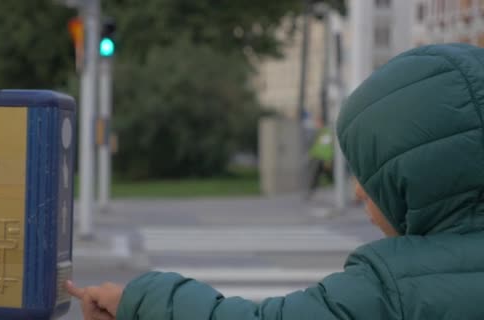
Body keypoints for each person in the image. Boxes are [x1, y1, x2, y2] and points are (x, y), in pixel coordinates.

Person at [66, 43, 484, 319]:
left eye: (369, 174)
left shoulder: (392, 291)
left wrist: (138, 302)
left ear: (423, 178)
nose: (358, 191)